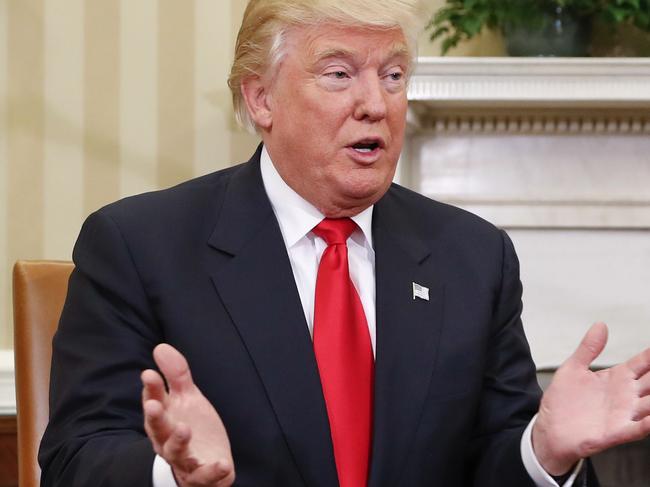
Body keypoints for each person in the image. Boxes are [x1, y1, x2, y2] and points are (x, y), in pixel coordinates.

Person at [39, 1, 650, 486]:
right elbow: (74, 459)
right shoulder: (138, 246)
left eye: (392, 76)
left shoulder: (473, 256)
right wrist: (170, 474)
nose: (375, 105)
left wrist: (543, 452)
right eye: (339, 75)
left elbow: (492, 460)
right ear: (261, 98)